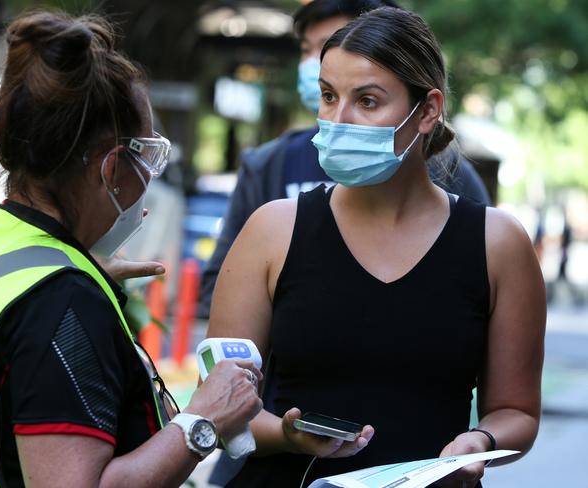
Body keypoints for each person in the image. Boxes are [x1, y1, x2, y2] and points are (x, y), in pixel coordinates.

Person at [207, 7, 545, 488]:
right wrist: (284, 434)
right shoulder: (272, 230)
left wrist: (480, 443)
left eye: (367, 101)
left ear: (427, 110)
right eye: (328, 96)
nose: (337, 119)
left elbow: (515, 410)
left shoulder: (498, 243)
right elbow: (220, 409)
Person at [0, 11, 262, 487]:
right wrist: (205, 420)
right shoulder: (61, 299)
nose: (149, 178)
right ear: (111, 169)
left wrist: (79, 276)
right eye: (147, 156)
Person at [198, 0, 491, 319]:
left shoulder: (454, 183)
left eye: (367, 100)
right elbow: (223, 289)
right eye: (306, 49)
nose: (313, 61)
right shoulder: (270, 173)